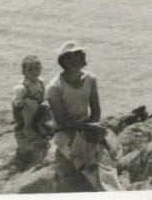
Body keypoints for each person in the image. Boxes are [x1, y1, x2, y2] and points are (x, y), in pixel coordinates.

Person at [46, 41, 122, 191]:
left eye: (80, 54)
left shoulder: (90, 79)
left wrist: (92, 128)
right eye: (76, 55)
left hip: (87, 125)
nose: (81, 57)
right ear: (65, 61)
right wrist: (87, 128)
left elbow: (96, 110)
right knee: (88, 164)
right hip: (66, 131)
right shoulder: (55, 87)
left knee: (104, 160)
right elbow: (61, 121)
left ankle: (113, 190)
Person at [11, 55, 52, 167]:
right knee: (32, 103)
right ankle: (27, 128)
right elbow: (16, 102)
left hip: (36, 112)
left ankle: (40, 124)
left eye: (37, 68)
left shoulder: (41, 82)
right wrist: (21, 102)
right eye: (30, 69)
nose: (34, 72)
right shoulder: (22, 87)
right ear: (23, 72)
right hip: (23, 114)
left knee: (49, 104)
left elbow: (45, 97)